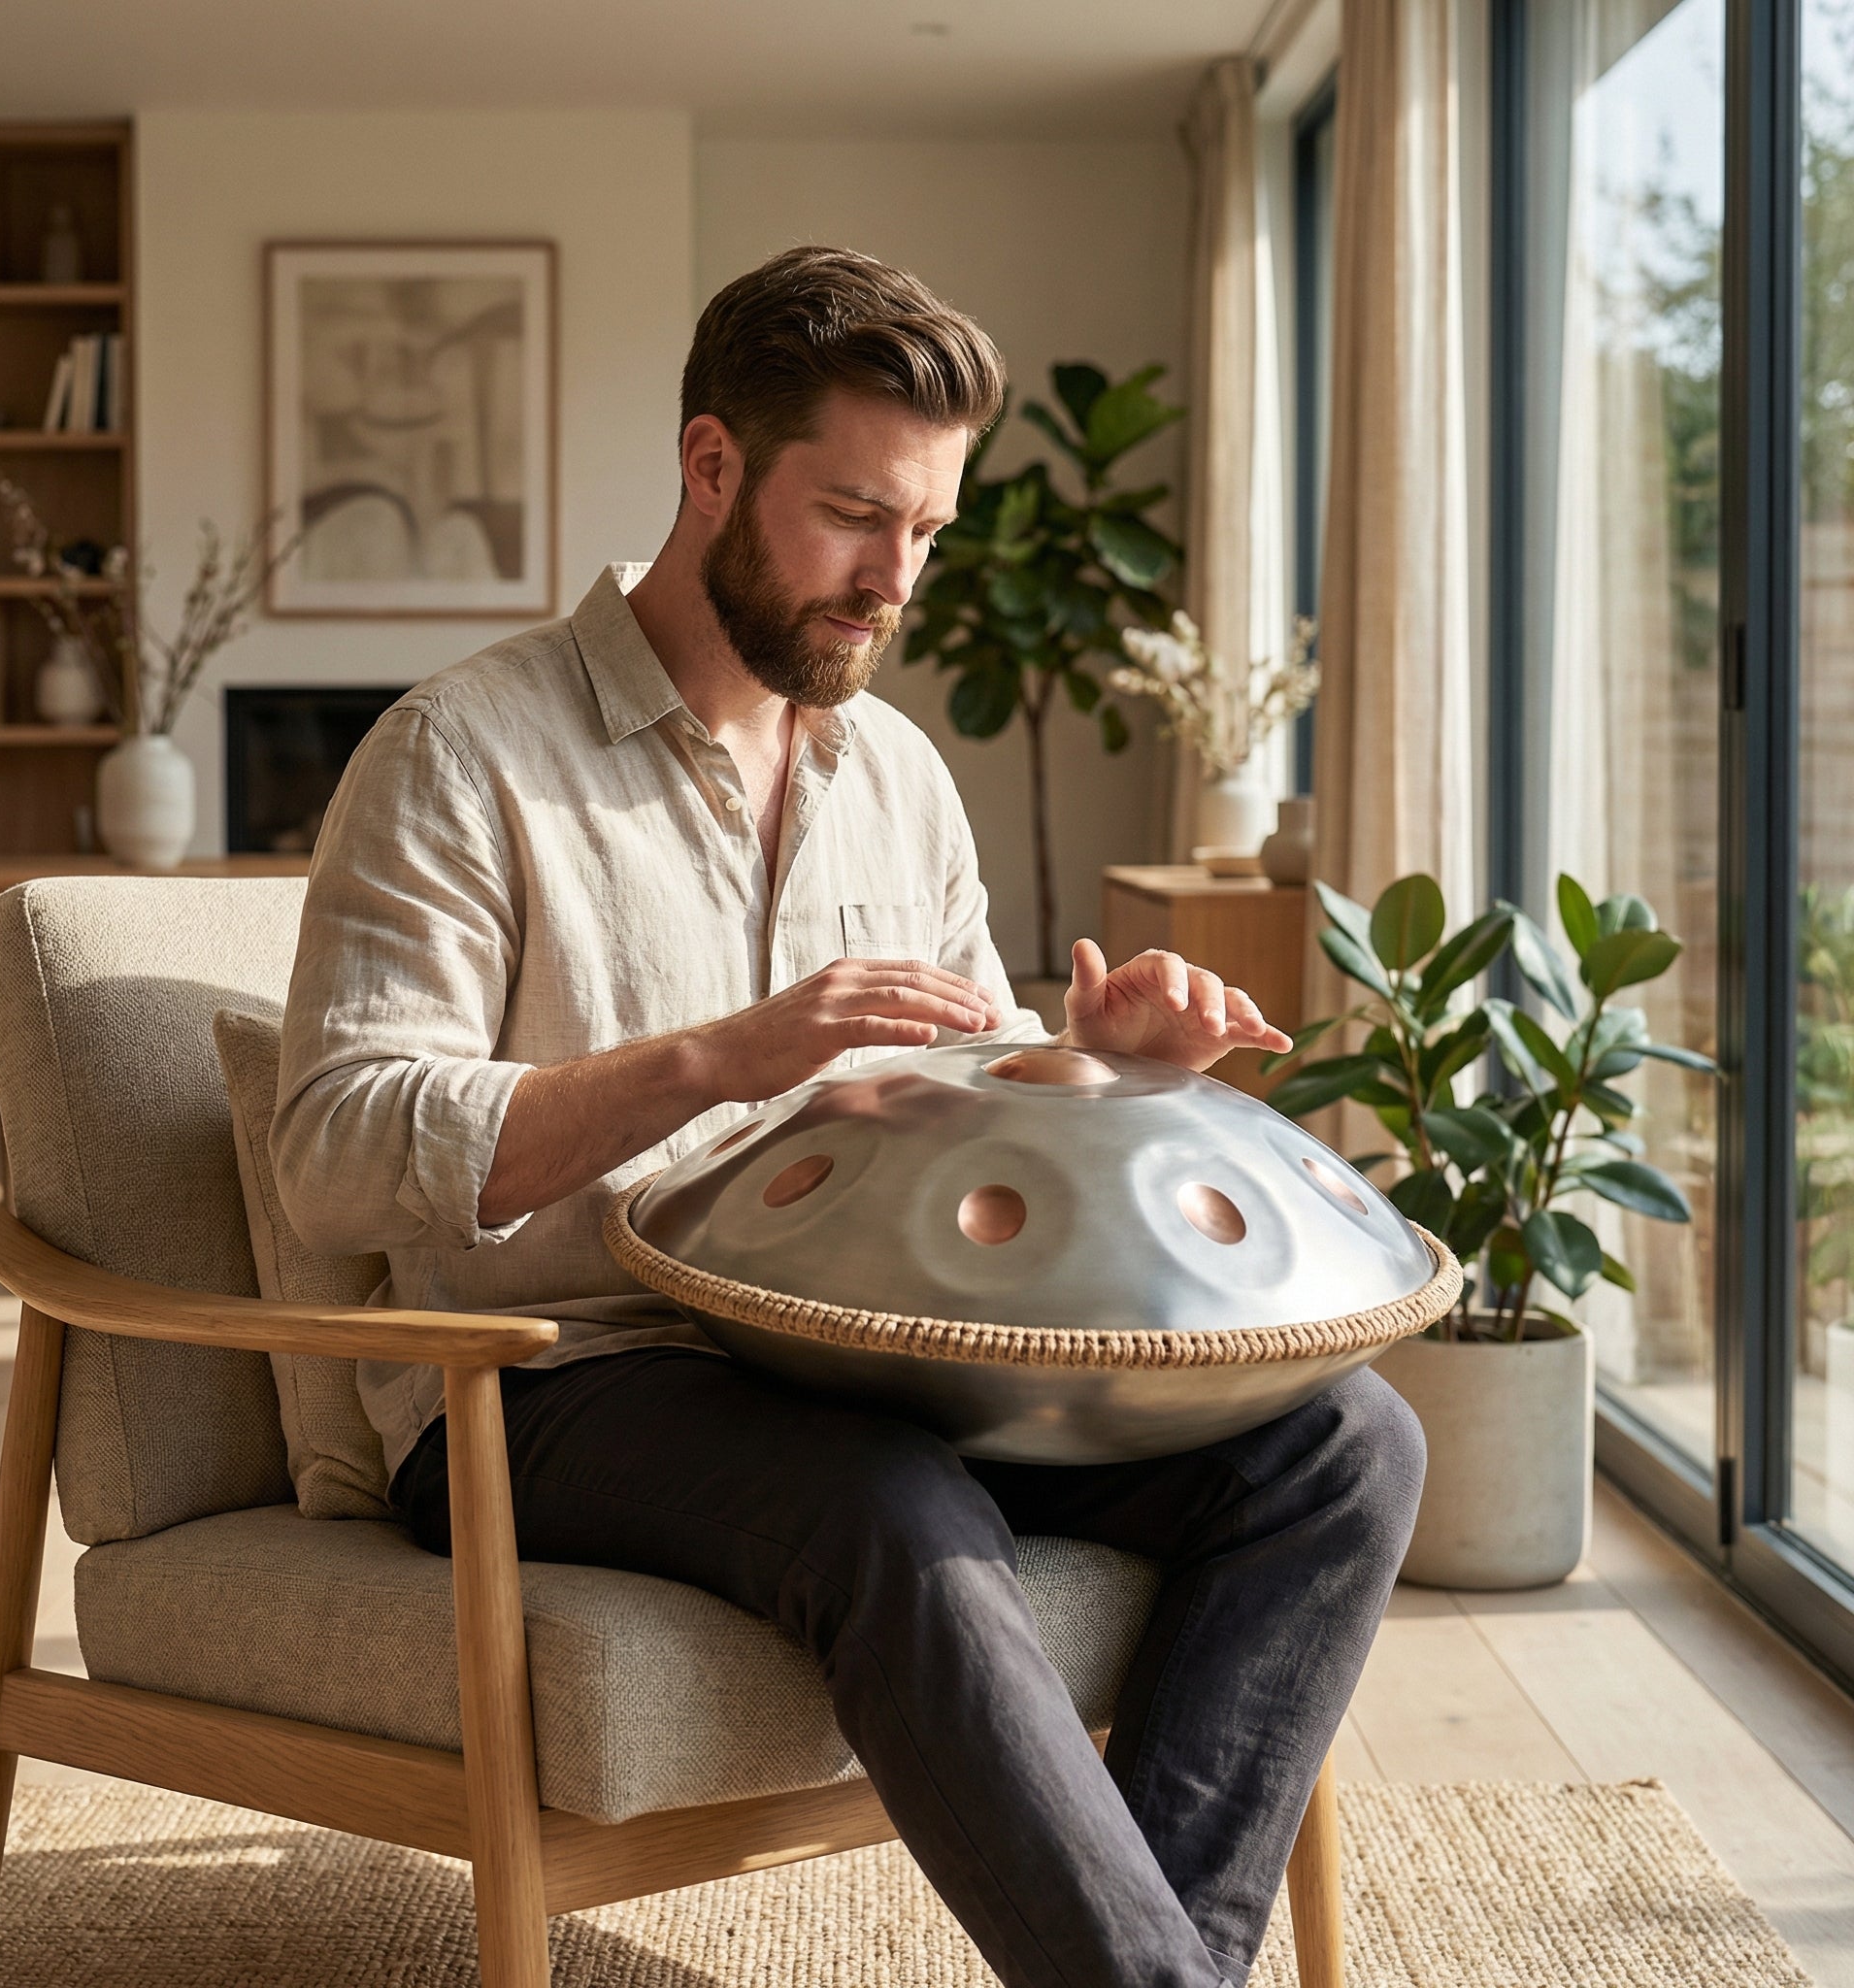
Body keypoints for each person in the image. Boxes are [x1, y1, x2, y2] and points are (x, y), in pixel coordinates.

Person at [273, 246, 1425, 1988]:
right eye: (854, 519)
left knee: (1345, 1448)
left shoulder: (893, 773)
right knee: (883, 1503)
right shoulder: (460, 754)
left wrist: (1095, 1070)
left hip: (865, 1357)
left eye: (929, 535)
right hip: (548, 1376)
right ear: (713, 466)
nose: (895, 583)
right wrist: (710, 1058)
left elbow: (960, 1108)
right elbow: (339, 1148)